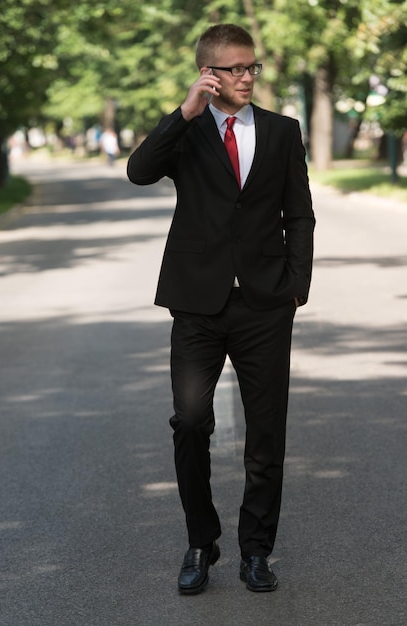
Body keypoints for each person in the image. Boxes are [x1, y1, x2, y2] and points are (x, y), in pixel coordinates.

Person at [127, 24, 315, 595]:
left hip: (264, 304)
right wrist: (184, 111)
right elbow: (139, 171)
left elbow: (299, 212)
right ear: (209, 72)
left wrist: (296, 285)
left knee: (266, 434)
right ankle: (200, 541)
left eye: (251, 67)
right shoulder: (186, 132)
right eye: (234, 68)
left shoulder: (283, 132)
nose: (246, 77)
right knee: (189, 422)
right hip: (196, 303)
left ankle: (256, 550)